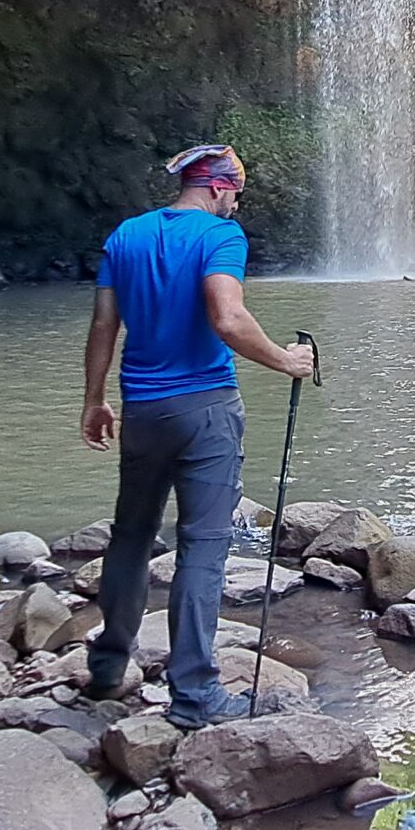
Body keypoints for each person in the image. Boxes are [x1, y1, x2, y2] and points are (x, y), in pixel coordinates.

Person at [80, 143, 316, 728]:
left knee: (130, 537)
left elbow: (104, 325)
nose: (236, 203)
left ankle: (109, 667)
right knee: (204, 547)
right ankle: (194, 695)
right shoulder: (220, 238)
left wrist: (92, 400)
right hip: (206, 409)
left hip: (141, 411)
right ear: (216, 188)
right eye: (235, 193)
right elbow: (228, 318)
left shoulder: (125, 237)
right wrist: (286, 362)